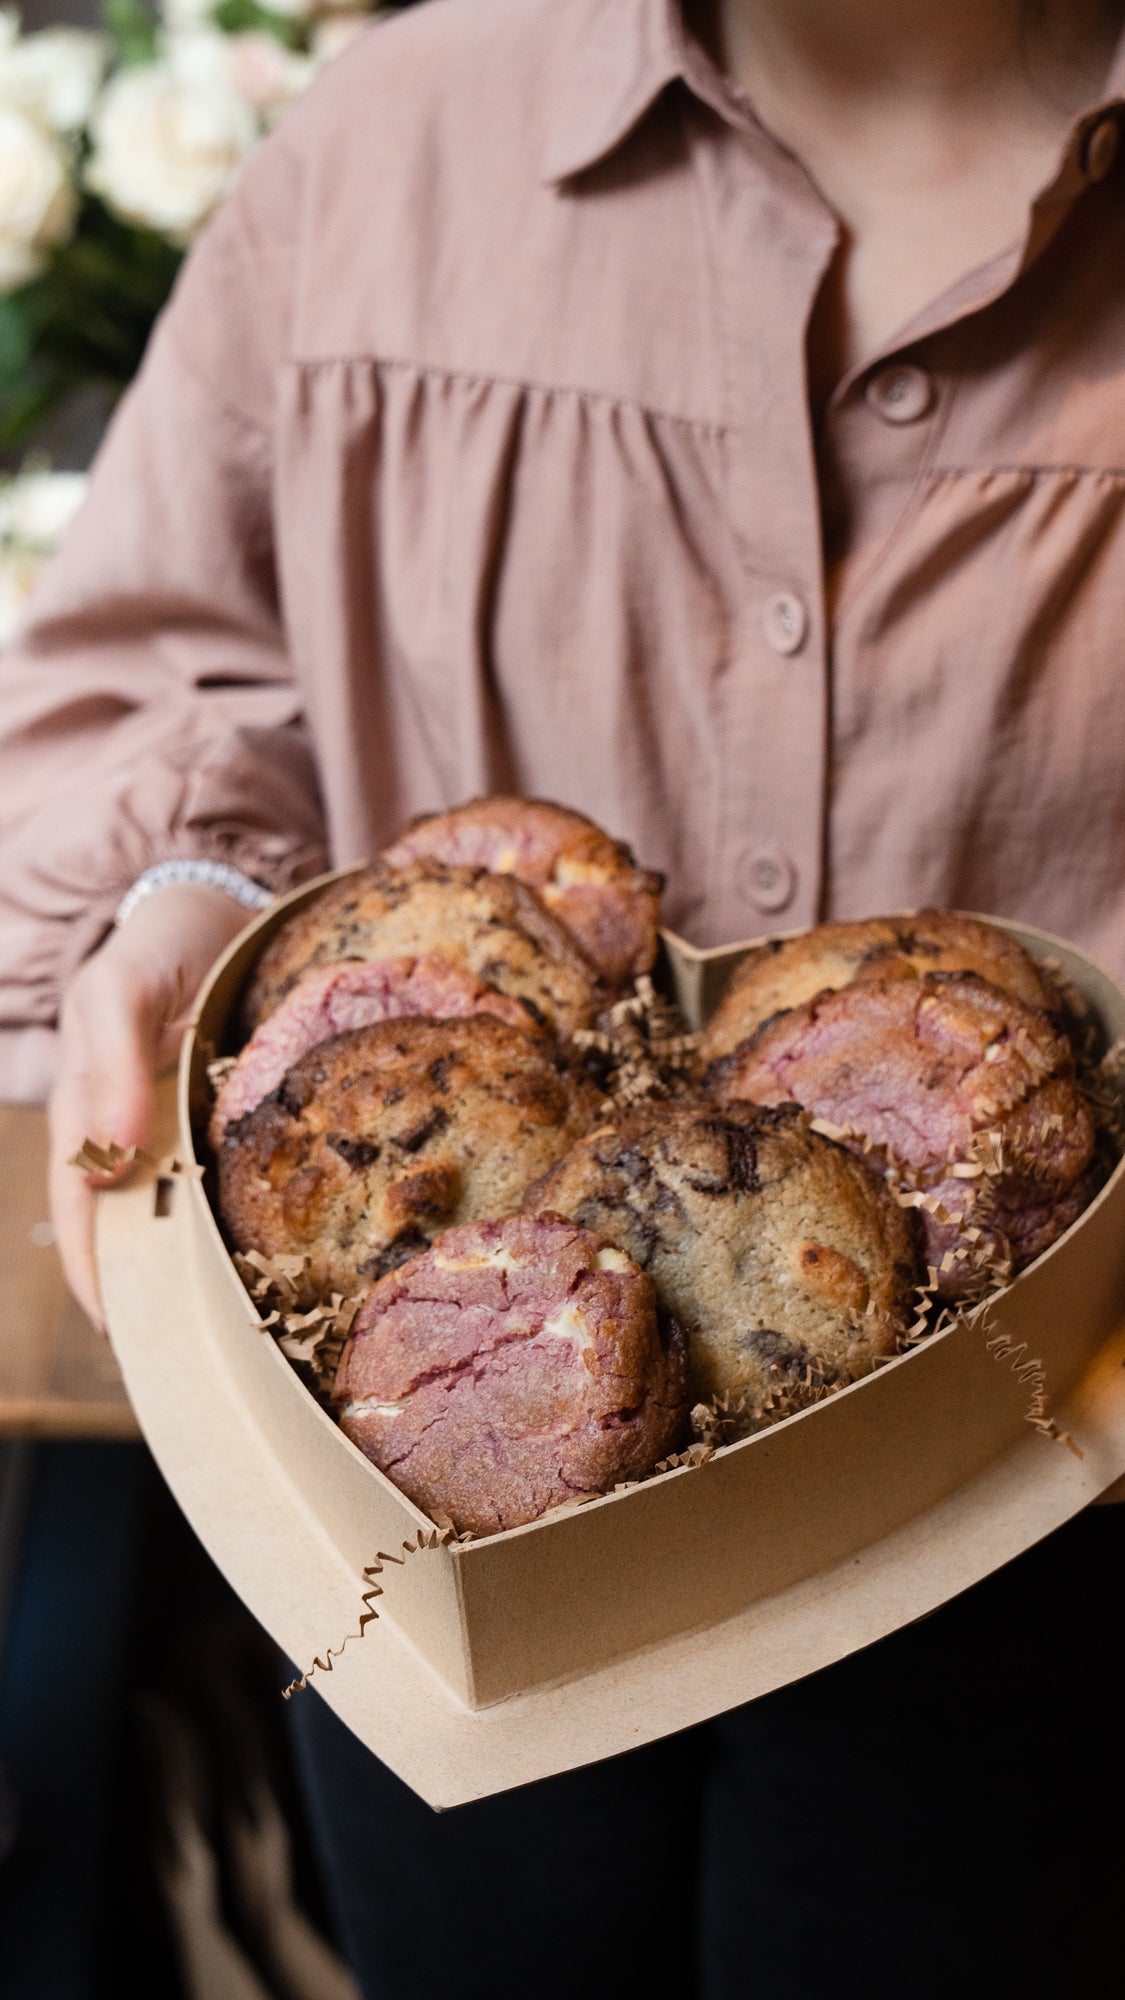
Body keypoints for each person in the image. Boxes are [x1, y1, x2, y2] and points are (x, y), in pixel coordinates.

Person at [2, 0, 1124, 1992]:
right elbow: (157, 651)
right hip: (439, 1514)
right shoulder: (394, 144)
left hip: (1045, 1520)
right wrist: (180, 896)